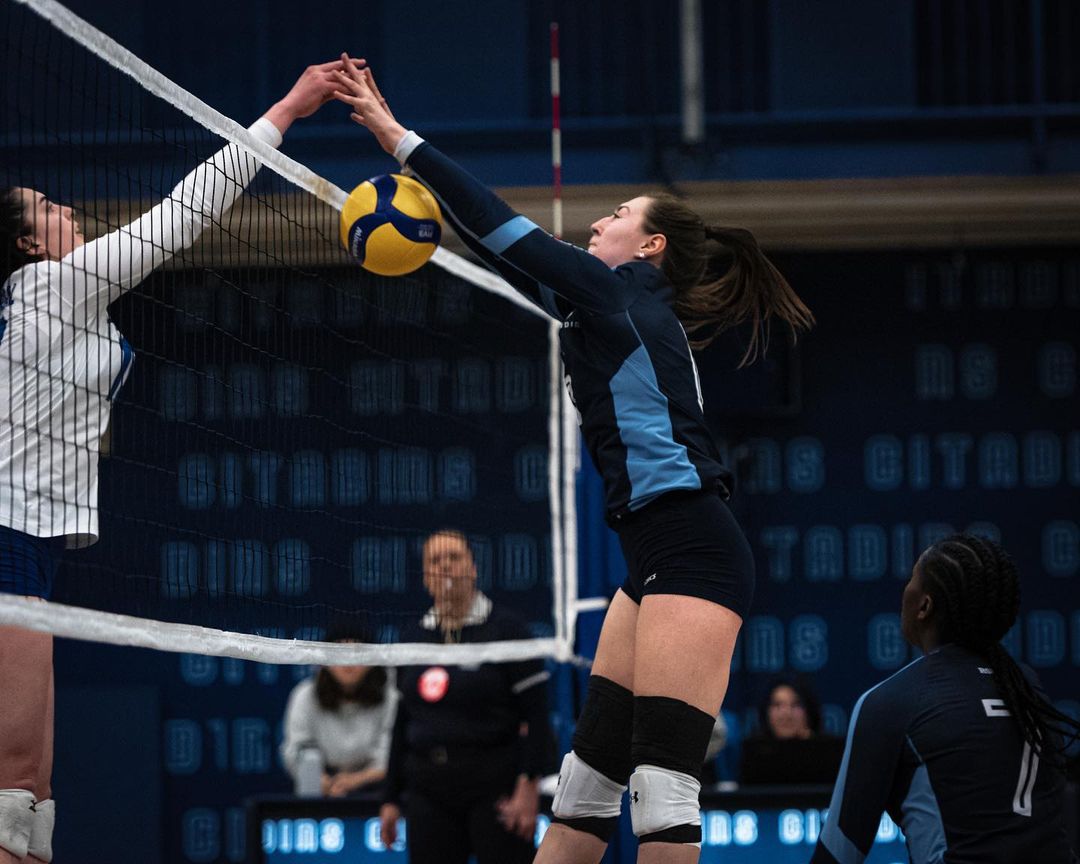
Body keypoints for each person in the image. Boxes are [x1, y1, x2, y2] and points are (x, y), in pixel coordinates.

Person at [332, 57, 814, 864]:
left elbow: (497, 224)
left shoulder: (617, 291)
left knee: (662, 787)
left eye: (619, 213)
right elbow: (503, 249)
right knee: (586, 786)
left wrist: (393, 136)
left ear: (649, 245)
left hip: (695, 547)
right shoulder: (614, 304)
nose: (599, 222)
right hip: (651, 557)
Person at [0, 60, 347, 864]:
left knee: (37, 793)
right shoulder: (51, 286)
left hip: (37, 542)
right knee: (15, 784)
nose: (68, 209)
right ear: (25, 242)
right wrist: (286, 111)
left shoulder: (59, 302)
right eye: (49, 207)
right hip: (7, 534)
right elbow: (181, 216)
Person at [811, 533, 1080, 864]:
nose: (904, 589)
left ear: (924, 605)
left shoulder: (893, 700)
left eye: (912, 578)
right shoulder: (1026, 685)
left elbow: (839, 852)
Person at [378, 529, 553, 864]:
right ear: (426, 576)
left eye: (454, 557)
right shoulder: (412, 637)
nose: (445, 566)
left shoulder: (507, 630)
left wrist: (528, 787)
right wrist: (389, 798)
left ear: (472, 568)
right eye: (434, 560)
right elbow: (401, 722)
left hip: (494, 785)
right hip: (428, 788)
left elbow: (538, 716)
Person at [280, 631, 397, 798]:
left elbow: (390, 754)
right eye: (338, 653)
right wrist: (321, 781)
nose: (348, 663)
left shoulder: (391, 696)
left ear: (372, 660)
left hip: (376, 788)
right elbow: (296, 750)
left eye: (357, 653)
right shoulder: (304, 695)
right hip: (321, 788)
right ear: (324, 662)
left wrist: (356, 780)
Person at [738, 675, 843, 785]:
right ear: (766, 712)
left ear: (809, 710)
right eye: (777, 705)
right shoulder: (754, 753)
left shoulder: (829, 751)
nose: (786, 714)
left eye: (796, 705)